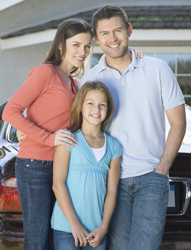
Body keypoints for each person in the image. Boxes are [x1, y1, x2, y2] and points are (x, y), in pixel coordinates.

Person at [78, 5, 186, 250]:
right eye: (104, 33)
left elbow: (178, 122)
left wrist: (162, 170)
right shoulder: (89, 80)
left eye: (118, 30)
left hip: (151, 177)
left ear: (129, 30)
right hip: (108, 181)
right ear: (96, 38)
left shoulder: (157, 69)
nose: (112, 38)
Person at [2, 18, 93, 250]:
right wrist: (47, 138)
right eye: (76, 45)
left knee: (56, 238)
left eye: (87, 46)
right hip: (35, 166)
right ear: (61, 45)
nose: (82, 51)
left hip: (62, 168)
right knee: (38, 238)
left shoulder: (74, 84)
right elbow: (10, 111)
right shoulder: (46, 72)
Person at [51, 81, 122, 250]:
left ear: (108, 109)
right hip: (66, 228)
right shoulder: (68, 140)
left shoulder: (114, 147)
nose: (96, 110)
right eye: (90, 103)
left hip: (96, 231)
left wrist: (103, 228)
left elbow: (112, 191)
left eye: (102, 105)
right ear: (81, 106)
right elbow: (57, 184)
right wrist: (74, 225)